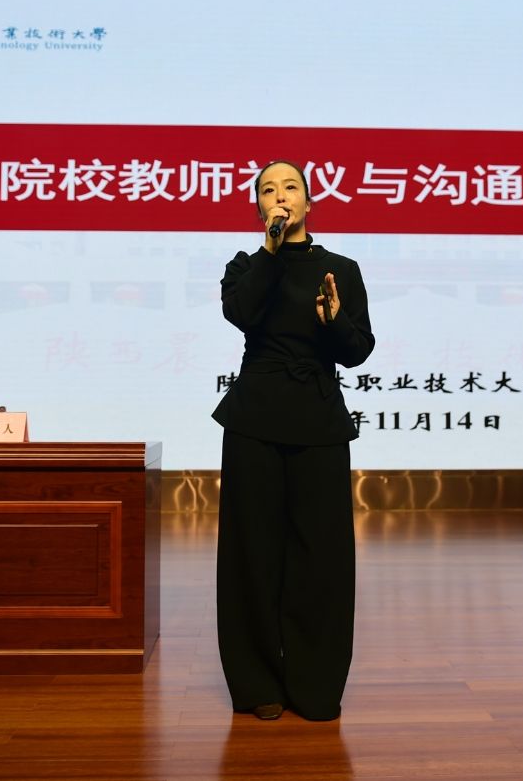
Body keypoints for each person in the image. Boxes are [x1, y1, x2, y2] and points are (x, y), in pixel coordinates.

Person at [211, 159, 375, 721]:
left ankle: (315, 684)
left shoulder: (341, 269)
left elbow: (358, 351)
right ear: (259, 207)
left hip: (318, 421)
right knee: (252, 554)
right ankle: (257, 683)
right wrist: (271, 250)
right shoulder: (245, 266)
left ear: (309, 201)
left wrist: (335, 320)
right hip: (255, 419)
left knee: (320, 558)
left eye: (290, 187)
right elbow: (241, 312)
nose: (279, 196)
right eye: (267, 190)